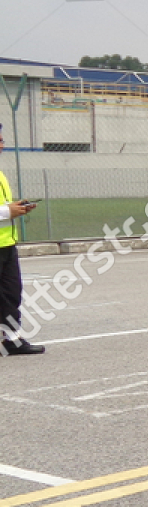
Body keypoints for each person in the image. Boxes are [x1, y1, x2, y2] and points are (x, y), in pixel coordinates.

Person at [0, 122, 44, 355]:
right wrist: (8, 212)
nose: (2, 146)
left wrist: (17, 208)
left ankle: (12, 339)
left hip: (6, 244)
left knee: (10, 293)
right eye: (0, 141)